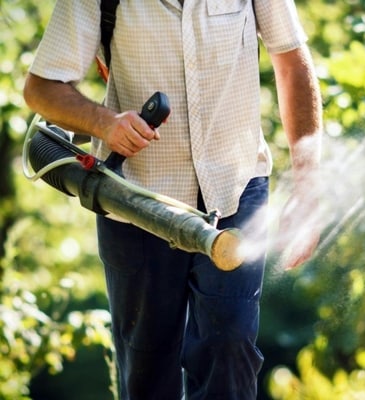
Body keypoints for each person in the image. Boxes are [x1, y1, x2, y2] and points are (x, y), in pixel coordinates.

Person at [23, 1, 322, 399]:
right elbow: (41, 88)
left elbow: (291, 62)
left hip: (235, 190)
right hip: (135, 203)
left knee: (229, 350)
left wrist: (308, 187)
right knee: (147, 372)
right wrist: (104, 123)